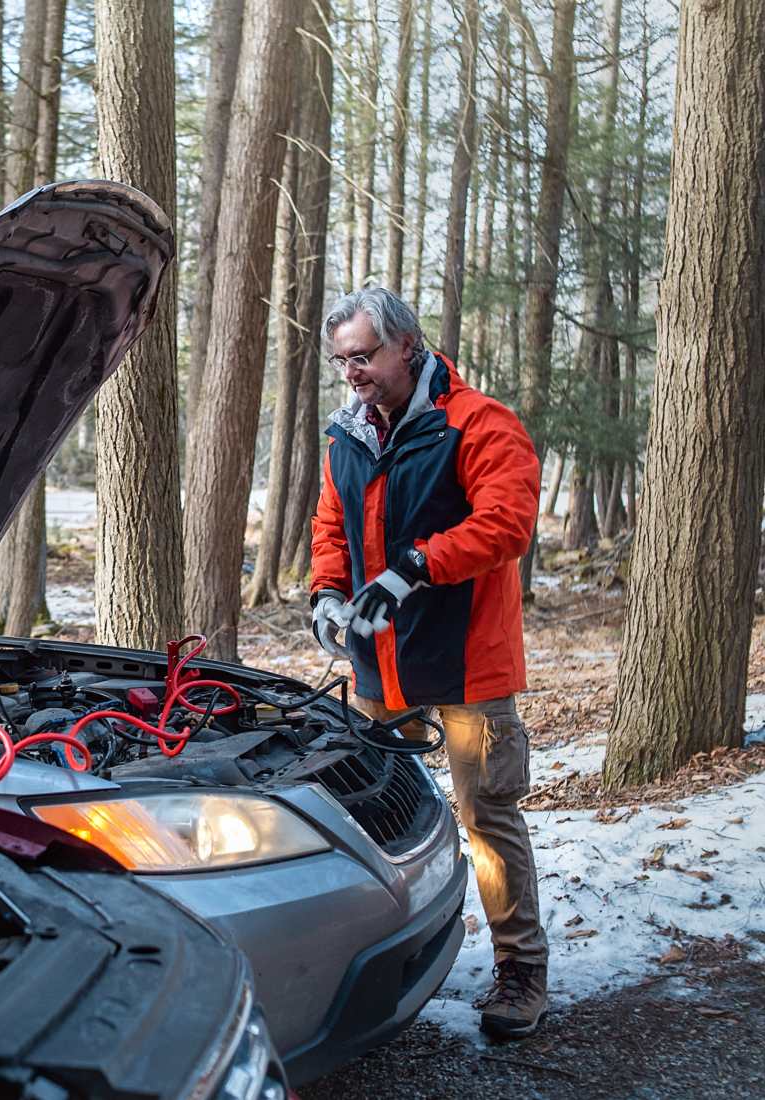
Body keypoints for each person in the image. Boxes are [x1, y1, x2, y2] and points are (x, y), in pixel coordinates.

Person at [308, 287, 548, 1039]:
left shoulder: (479, 422)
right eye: (342, 359)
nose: (353, 372)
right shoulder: (348, 433)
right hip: (380, 668)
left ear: (406, 345)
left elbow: (507, 524)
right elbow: (331, 524)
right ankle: (392, 955)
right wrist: (324, 592)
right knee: (377, 816)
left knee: (487, 820)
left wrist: (415, 566)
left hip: (469, 665)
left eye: (364, 355)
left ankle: (521, 973)